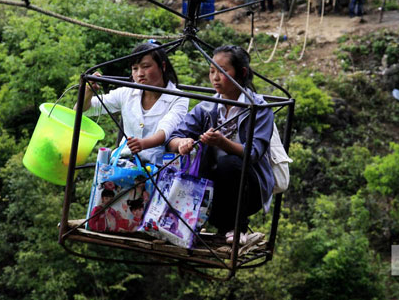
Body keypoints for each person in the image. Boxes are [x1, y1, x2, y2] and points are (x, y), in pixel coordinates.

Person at [167, 45, 274, 245]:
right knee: (193, 166)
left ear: (241, 73)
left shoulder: (259, 108)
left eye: (223, 71)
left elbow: (253, 152)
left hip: (248, 189)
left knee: (230, 163)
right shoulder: (207, 108)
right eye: (212, 71)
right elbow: (173, 137)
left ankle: (235, 227)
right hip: (213, 188)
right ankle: (189, 222)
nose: (215, 77)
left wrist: (223, 143)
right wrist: (182, 142)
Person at [76, 42, 189, 165]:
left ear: (162, 66)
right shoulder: (127, 92)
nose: (140, 73)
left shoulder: (178, 98)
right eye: (135, 68)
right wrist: (88, 90)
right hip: (123, 163)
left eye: (146, 66)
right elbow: (83, 110)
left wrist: (143, 144)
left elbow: (165, 130)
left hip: (158, 167)